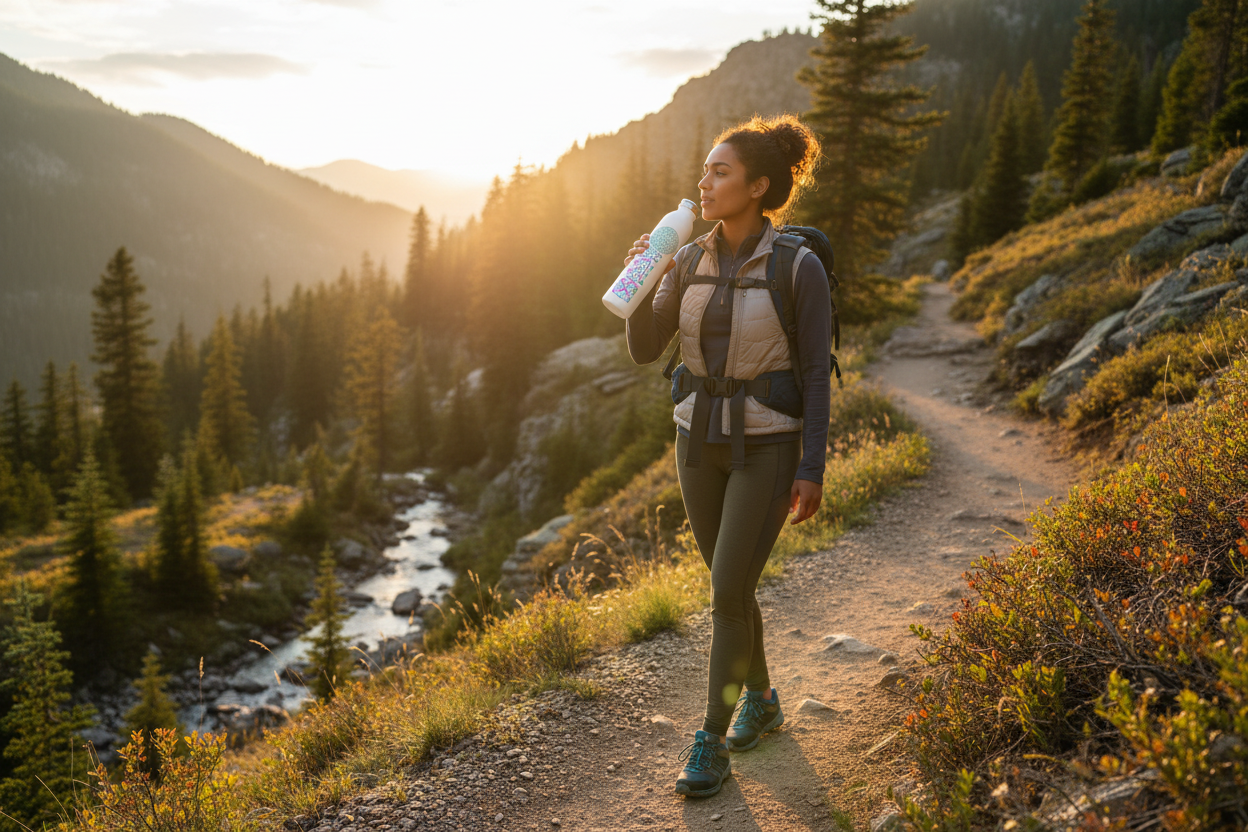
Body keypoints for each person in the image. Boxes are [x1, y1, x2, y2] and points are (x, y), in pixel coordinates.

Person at [623, 114, 831, 798]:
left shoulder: (798, 267)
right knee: (732, 586)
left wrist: (811, 466)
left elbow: (815, 376)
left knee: (724, 592)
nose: (705, 183)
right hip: (695, 440)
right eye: (704, 170)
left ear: (759, 186)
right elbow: (645, 349)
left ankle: (710, 737)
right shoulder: (684, 259)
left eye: (720, 172)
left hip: (767, 445)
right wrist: (638, 284)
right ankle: (762, 697)